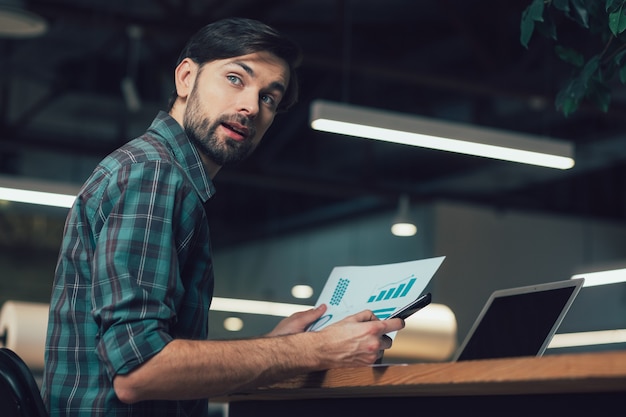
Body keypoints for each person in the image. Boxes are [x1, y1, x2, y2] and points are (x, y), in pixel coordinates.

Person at [42, 17, 404, 417]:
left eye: (269, 98)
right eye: (235, 79)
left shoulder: (158, 172)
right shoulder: (154, 173)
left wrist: (273, 343)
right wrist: (313, 349)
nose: (250, 106)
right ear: (185, 78)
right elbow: (138, 371)